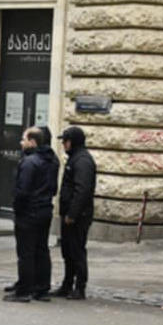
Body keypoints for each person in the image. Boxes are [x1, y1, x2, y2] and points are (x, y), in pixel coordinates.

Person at [5, 126, 58, 303]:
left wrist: (18, 208)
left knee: (26, 252)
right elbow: (53, 188)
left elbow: (22, 190)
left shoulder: (29, 162)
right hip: (45, 209)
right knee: (41, 249)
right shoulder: (52, 160)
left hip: (29, 211)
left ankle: (24, 290)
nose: (21, 142)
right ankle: (41, 288)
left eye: (24, 139)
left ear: (32, 142)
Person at [53, 126, 97, 300]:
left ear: (72, 142)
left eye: (65, 141)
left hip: (78, 216)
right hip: (71, 213)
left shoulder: (82, 161)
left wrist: (72, 214)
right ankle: (67, 284)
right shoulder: (75, 158)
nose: (63, 144)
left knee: (76, 251)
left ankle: (79, 287)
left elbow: (82, 190)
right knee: (68, 251)